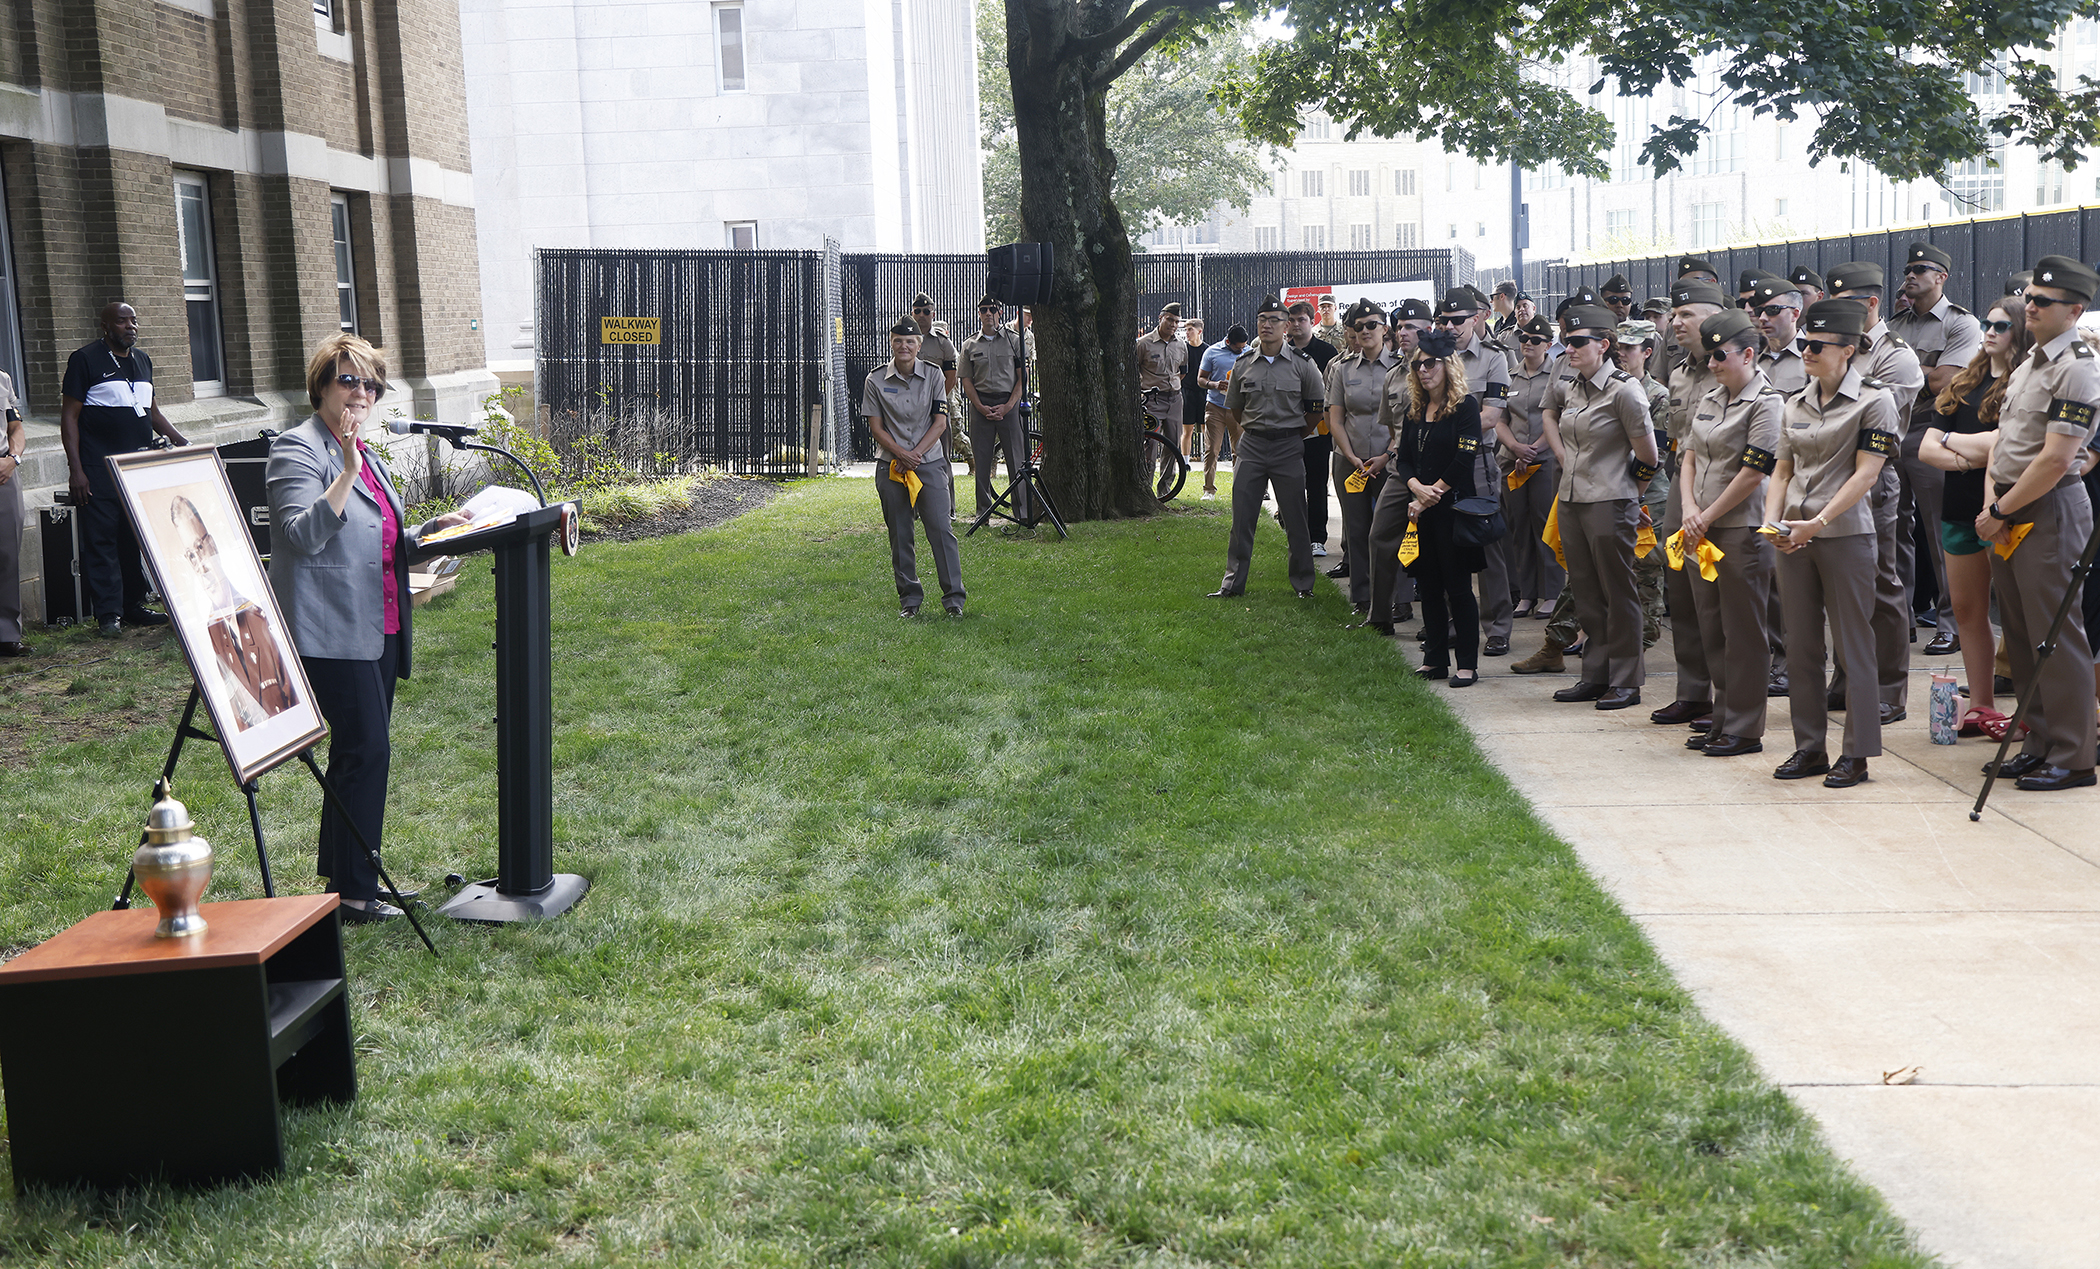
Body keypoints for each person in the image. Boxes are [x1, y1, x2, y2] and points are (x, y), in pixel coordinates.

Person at [267, 333, 472, 922]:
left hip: (379, 625)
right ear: (322, 385)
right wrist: (346, 471)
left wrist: (433, 532)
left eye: (370, 384)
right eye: (348, 380)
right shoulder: (298, 449)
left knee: (358, 755)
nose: (360, 393)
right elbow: (301, 534)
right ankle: (356, 893)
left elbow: (382, 541)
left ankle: (348, 883)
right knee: (367, 751)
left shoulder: (367, 456)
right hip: (329, 630)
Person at [1975, 256, 2100, 790]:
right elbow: (2005, 442)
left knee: (2056, 633)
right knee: (2023, 634)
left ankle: (2074, 756)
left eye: (2043, 301)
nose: (2030, 305)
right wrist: (1993, 505)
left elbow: (2054, 459)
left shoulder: (2078, 365)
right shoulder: (2030, 362)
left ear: (2075, 310)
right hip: (2008, 507)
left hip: (2047, 508)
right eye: (2029, 297)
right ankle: (2040, 739)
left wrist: (2000, 511)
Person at [1764, 299, 1897, 788]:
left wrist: (1815, 521)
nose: (1807, 352)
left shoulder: (1874, 401)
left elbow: (1866, 475)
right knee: (1799, 645)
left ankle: (1857, 754)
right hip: (1793, 536)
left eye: (1817, 345)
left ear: (1848, 349)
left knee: (1853, 646)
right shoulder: (1794, 403)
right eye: (1804, 344)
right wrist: (1771, 522)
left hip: (1843, 535)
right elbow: (1781, 468)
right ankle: (1809, 748)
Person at [1919, 299, 2031, 737]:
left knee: (2018, 616)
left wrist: (1959, 445)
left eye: (2001, 326)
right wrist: (1973, 452)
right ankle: (1981, 705)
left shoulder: (2024, 382)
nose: (1989, 331)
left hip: (2003, 510)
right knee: (1967, 609)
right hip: (1959, 508)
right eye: (1987, 323)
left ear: (2019, 332)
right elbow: (1927, 449)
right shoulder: (1967, 381)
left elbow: (2003, 445)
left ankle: (2028, 710)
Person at [1538, 304, 1659, 709]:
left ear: (1604, 345)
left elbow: (1648, 456)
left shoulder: (1624, 389)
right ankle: (1596, 675)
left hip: (1611, 501)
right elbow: (1550, 415)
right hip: (1572, 500)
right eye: (1565, 341)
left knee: (1619, 592)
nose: (1567, 348)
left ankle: (1626, 680)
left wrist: (1629, 493)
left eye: (1577, 342)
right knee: (1587, 592)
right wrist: (1564, 459)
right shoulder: (1573, 387)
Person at [1678, 310, 1782, 757]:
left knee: (1744, 631)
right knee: (1713, 628)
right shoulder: (1710, 397)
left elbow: (1754, 472)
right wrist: (1688, 510)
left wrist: (1707, 514)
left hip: (1739, 530)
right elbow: (1688, 458)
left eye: (1721, 356)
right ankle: (1723, 719)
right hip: (1702, 526)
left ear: (1748, 353)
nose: (1713, 364)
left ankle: (1745, 727)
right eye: (1710, 357)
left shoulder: (1767, 402)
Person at [1825, 262, 1924, 723]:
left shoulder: (1895, 354)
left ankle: (1888, 689)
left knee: (1882, 585)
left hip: (1874, 477)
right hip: (1830, 478)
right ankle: (1847, 677)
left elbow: (1861, 412)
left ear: (1870, 304)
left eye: (1846, 305)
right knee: (1842, 589)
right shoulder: (1834, 348)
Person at [61, 301, 187, 638]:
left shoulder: (143, 360)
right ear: (105, 326)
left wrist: (182, 442)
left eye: (133, 320)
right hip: (98, 469)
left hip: (137, 469)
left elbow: (153, 413)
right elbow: (69, 417)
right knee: (102, 542)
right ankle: (108, 615)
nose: (130, 326)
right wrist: (77, 471)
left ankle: (133, 605)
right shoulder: (84, 360)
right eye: (122, 321)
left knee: (132, 540)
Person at [1890, 242, 1982, 655]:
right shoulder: (1897, 322)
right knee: (1893, 531)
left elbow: (1945, 382)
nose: (1910, 275)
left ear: (1941, 276)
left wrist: (1907, 369)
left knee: (1937, 531)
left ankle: (1951, 623)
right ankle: (1900, 619)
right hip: (1892, 430)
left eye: (1921, 269)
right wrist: (1923, 370)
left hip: (1930, 429)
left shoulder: (1961, 324)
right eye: (1908, 269)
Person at [1211, 295, 1324, 599]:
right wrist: (1255, 429)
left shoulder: (1303, 365)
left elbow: (1315, 409)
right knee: (1242, 519)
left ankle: (1303, 584)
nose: (1267, 325)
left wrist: (1296, 434)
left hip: (1288, 446)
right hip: (1252, 447)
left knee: (1296, 519)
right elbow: (1235, 408)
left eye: (1274, 320)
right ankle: (1232, 585)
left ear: (1287, 326)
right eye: (1262, 319)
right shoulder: (1243, 363)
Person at [1651, 279, 1726, 725]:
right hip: (1683, 485)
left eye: (1686, 315)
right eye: (1674, 316)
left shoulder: (1733, 370)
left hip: (1722, 491)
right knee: (1680, 590)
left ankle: (1727, 696)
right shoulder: (1678, 373)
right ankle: (1693, 691)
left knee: (1718, 598)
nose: (1676, 323)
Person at [1395, 330, 1485, 684]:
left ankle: (1467, 664)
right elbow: (1403, 460)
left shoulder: (1466, 406)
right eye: (1418, 365)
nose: (1423, 370)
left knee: (1458, 587)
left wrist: (1435, 492)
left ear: (1448, 365)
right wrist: (1417, 489)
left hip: (1455, 510)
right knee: (1428, 585)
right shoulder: (1415, 409)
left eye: (1430, 364)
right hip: (1422, 509)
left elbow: (1466, 456)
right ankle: (1434, 659)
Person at [166, 494, 298, 727]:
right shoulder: (206, 634)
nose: (201, 565)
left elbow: (294, 705)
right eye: (190, 555)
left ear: (213, 546)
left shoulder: (259, 615)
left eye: (199, 547)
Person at [862, 317, 964, 616]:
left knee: (941, 530)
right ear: (891, 343)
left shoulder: (933, 375)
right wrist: (901, 454)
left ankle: (954, 601)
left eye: (910, 342)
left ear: (919, 345)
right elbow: (876, 427)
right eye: (898, 341)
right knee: (900, 533)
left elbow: (940, 422)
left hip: (928, 463)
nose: (903, 346)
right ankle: (910, 600)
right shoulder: (875, 379)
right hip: (891, 465)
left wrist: (916, 454)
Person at [1437, 289, 1515, 654]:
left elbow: (1491, 415)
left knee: (1489, 548)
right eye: (1445, 320)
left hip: (1479, 464)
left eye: (1458, 320)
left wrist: (1444, 431)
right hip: (1439, 465)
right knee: (1446, 546)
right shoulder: (1430, 357)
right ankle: (1456, 620)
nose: (1451, 326)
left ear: (1477, 318)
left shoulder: (1494, 359)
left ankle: (1498, 626)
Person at [1326, 300, 1397, 613]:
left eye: (1372, 325)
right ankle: (1362, 596)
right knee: (1356, 529)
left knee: (1390, 530)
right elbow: (1335, 418)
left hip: (1390, 460)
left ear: (1384, 328)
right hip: (1350, 461)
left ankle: (1397, 598)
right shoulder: (1342, 369)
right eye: (1359, 327)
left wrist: (1387, 455)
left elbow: (1407, 418)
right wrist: (1351, 456)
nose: (1365, 331)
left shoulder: (1401, 367)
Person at [1503, 315, 1563, 619]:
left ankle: (1551, 592)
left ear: (1548, 345)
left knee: (1544, 525)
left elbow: (1558, 417)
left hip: (1544, 460)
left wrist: (1534, 448)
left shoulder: (1556, 376)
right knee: (1519, 526)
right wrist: (1515, 447)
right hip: (1513, 462)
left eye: (1536, 340)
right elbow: (1499, 419)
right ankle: (1526, 593)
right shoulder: (1509, 376)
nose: (1528, 344)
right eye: (1525, 339)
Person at [958, 296, 1028, 522]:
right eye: (983, 310)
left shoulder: (1014, 341)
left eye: (992, 309)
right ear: (979, 313)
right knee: (982, 460)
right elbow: (966, 380)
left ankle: (1022, 513)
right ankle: (983, 513)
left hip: (1008, 405)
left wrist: (1008, 406)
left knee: (1016, 460)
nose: (988, 313)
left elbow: (1022, 379)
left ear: (999, 312)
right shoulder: (969, 345)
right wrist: (979, 406)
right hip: (981, 406)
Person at [1286, 302, 1338, 557]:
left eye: (1301, 319)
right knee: (1290, 484)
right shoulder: (1281, 351)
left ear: (1311, 320)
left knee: (1316, 484)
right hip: (1287, 429)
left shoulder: (1326, 351)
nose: (1296, 324)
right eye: (1292, 319)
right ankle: (1294, 534)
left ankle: (1317, 537)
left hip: (1318, 431)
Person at [1136, 303, 1188, 499]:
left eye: (1176, 321)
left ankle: (1165, 488)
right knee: (1149, 445)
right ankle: (1146, 489)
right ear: (1161, 318)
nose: (1173, 324)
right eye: (1170, 320)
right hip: (1151, 400)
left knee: (1173, 444)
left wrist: (1171, 387)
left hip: (1174, 399)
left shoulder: (1180, 345)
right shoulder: (1144, 343)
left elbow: (1183, 372)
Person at [1197, 324, 1244, 500]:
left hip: (1238, 407)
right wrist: (1214, 385)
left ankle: (1240, 489)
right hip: (1215, 406)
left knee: (1239, 451)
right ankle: (1208, 490)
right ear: (1227, 341)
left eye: (1243, 346)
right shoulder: (1212, 352)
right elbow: (1200, 379)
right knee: (1212, 450)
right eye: (1237, 347)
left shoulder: (1248, 353)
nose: (1241, 350)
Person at [0, 372, 25, 656]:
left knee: (7, 552)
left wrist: (12, 460)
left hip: (3, 474)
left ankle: (6, 634)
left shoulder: (3, 379)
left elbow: (16, 426)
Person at [1751, 277, 1807, 395]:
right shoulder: (1751, 361)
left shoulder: (1812, 358)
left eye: (1773, 310)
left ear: (1795, 314)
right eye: (1759, 311)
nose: (1763, 318)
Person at [909, 293, 960, 398]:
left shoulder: (943, 343)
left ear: (933, 315)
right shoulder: (904, 340)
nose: (921, 315)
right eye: (917, 311)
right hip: (909, 399)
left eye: (926, 312)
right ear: (912, 314)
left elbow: (952, 377)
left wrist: (938, 400)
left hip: (935, 398)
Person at [1181, 317, 1209, 461]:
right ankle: (1185, 461)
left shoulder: (1207, 350)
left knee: (1206, 429)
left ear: (1199, 331)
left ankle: (1208, 458)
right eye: (1186, 330)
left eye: (1190, 329)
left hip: (1204, 392)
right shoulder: (1183, 349)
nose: (1187, 332)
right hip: (1187, 392)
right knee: (1187, 430)